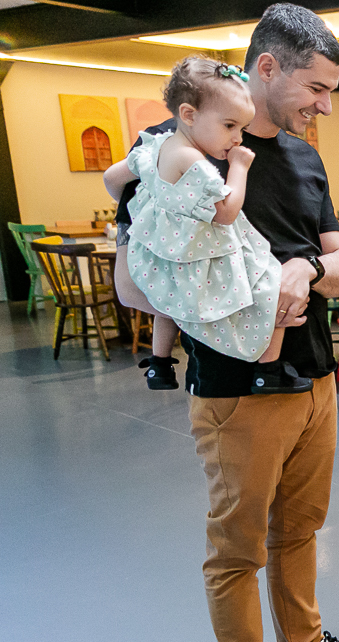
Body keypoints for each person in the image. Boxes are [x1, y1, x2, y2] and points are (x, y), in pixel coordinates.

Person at [111, 3, 339, 642]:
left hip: (315, 378)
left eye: (333, 92)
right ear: (266, 68)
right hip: (236, 388)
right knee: (237, 549)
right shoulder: (176, 156)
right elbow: (133, 275)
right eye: (316, 87)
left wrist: (303, 269)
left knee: (299, 527)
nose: (325, 106)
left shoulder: (303, 158)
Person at [103, 57, 311, 394]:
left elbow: (112, 180)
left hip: (160, 251)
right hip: (196, 252)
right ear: (188, 114)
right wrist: (240, 167)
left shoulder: (154, 147)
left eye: (241, 129)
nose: (237, 138)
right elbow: (226, 212)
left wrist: (153, 196)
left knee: (169, 306)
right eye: (230, 126)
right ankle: (267, 370)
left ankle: (159, 364)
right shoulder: (192, 160)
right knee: (269, 283)